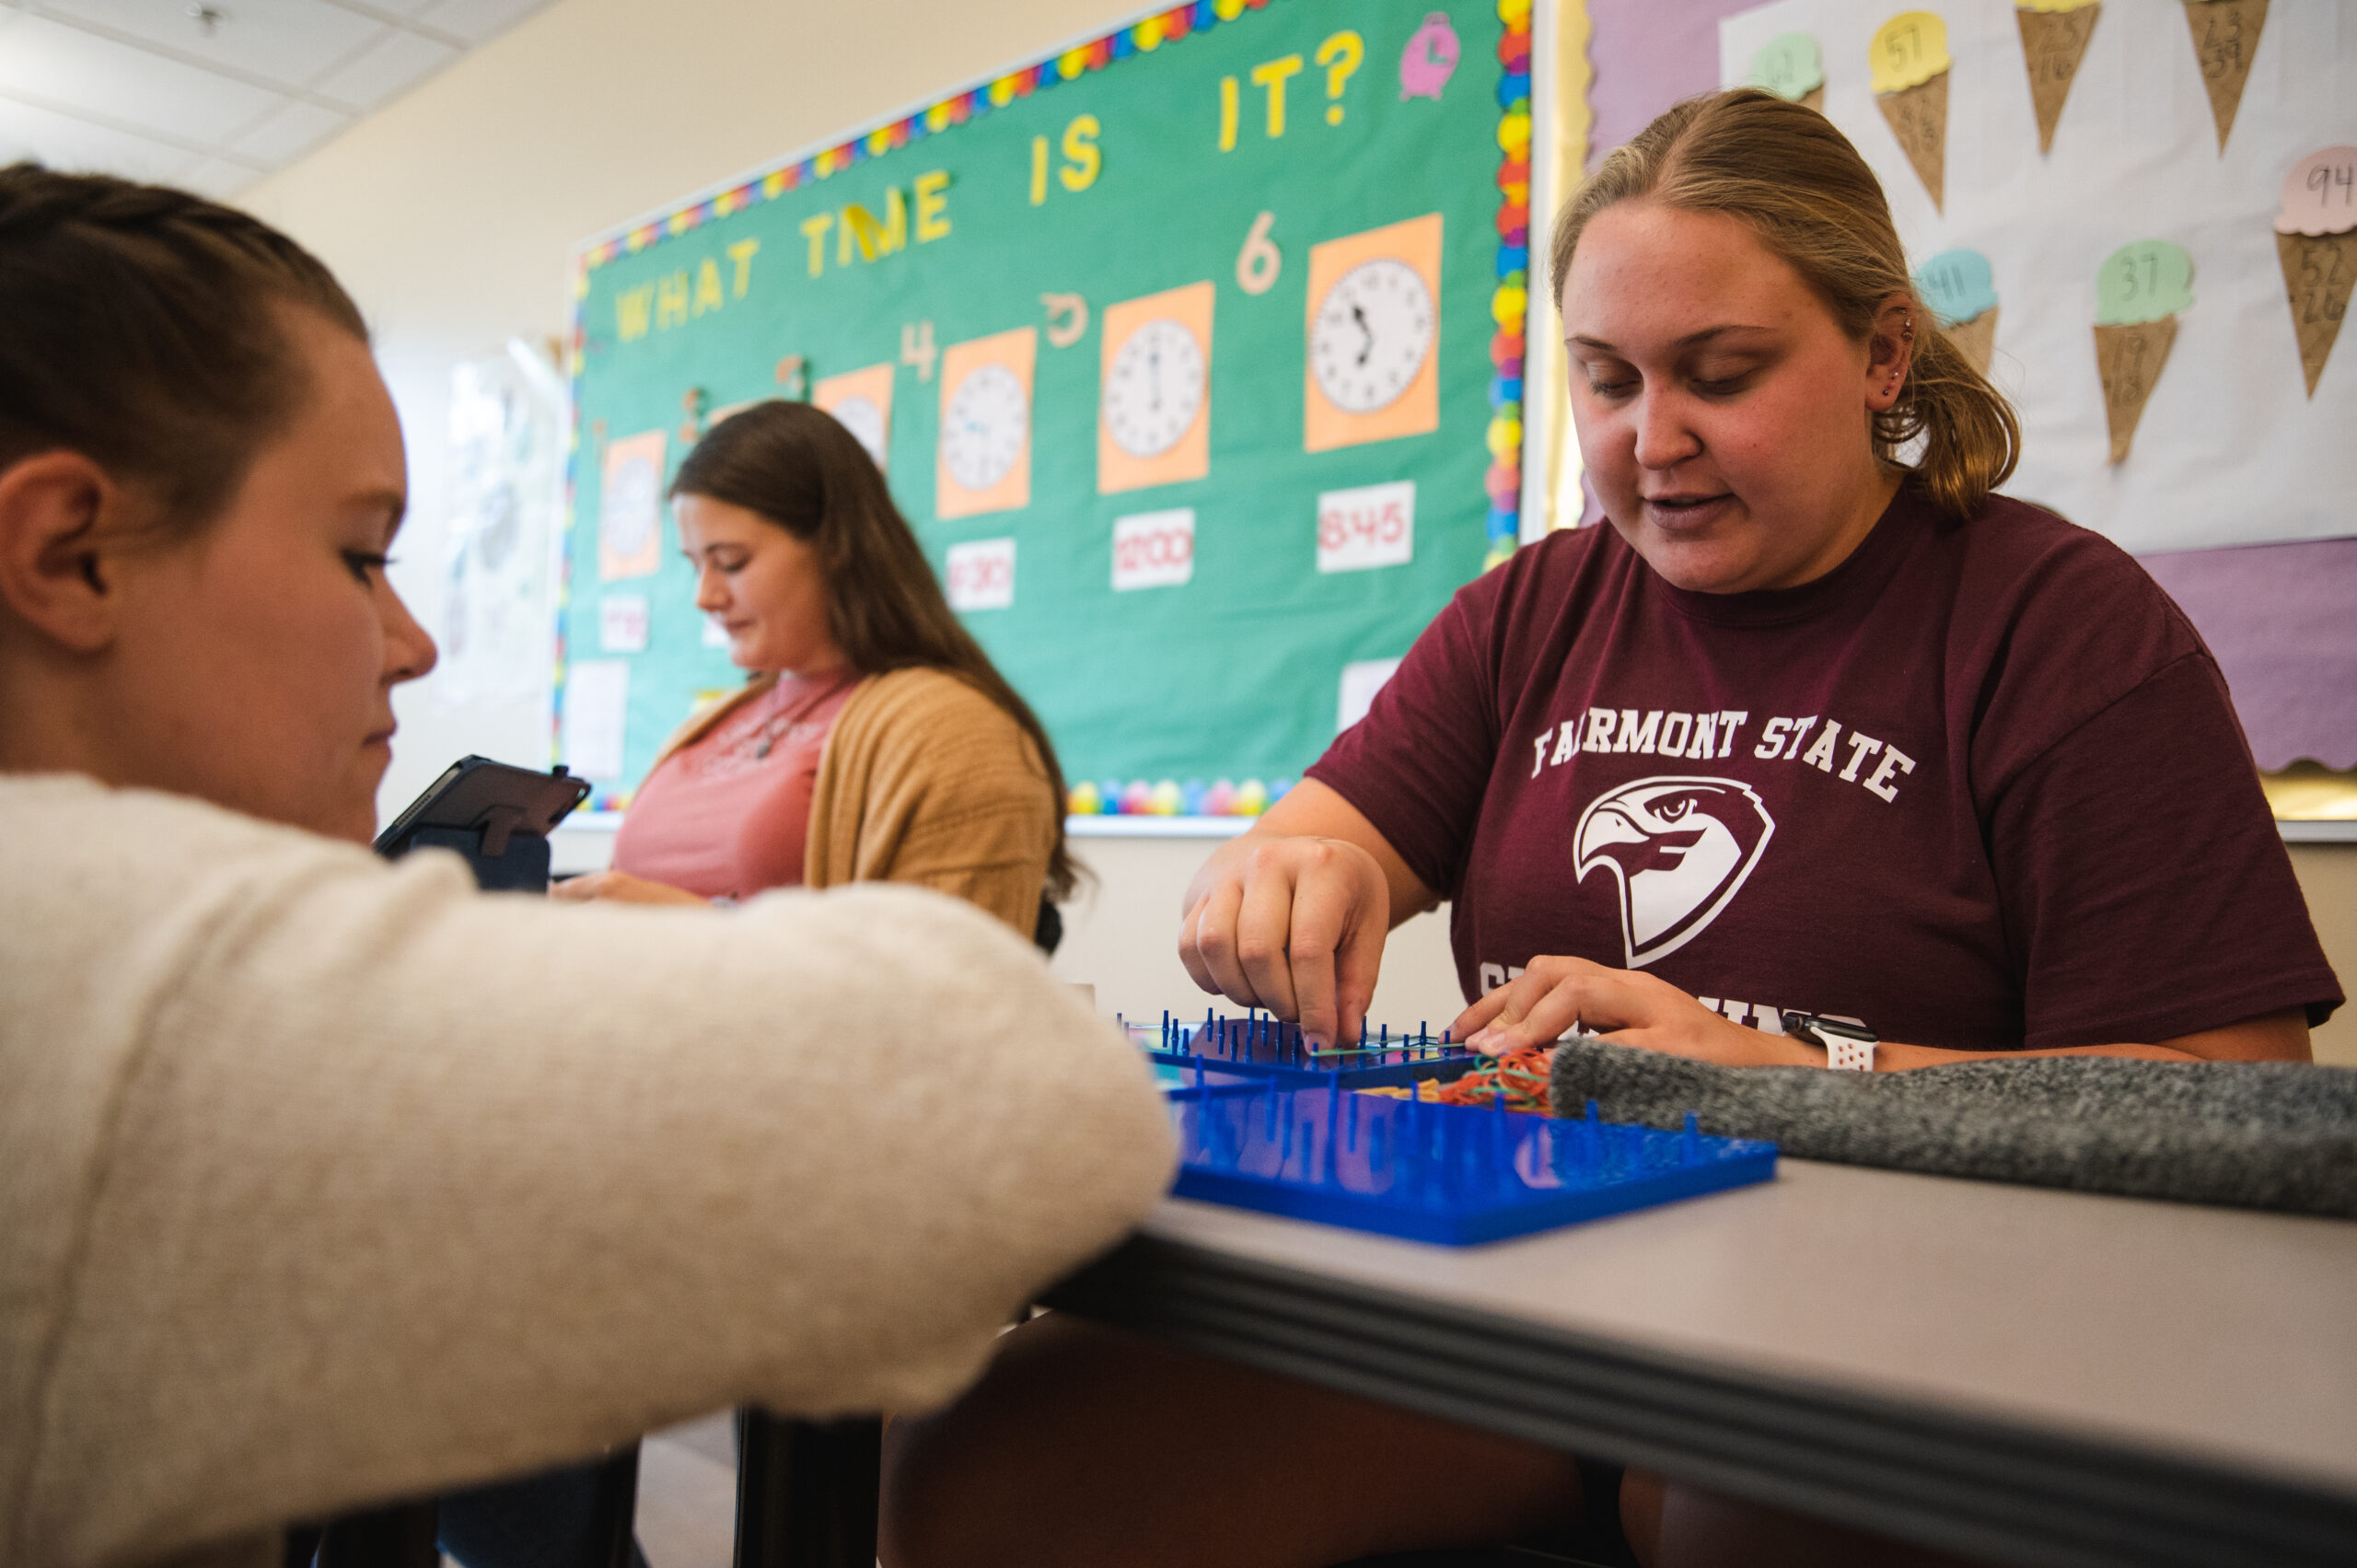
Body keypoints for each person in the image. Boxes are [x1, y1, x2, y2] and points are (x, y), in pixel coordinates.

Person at [878, 90, 2341, 1568]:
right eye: (1609, 380)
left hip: (1900, 1331)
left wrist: (1790, 1072)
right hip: (1517, 1308)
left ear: (1883, 351)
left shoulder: (2062, 628)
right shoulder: (1535, 609)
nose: (1656, 441)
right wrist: (1271, 881)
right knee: (990, 1453)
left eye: (1723, 373)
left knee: (1734, 1505)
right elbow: (1299, 847)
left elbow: (2228, 1110)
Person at [0, 163, 1173, 1568]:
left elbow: (982, 1024)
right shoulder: (120, 989)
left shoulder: (932, 721)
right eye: (359, 552)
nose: (418, 642)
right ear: (68, 555)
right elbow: (1020, 1084)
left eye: (733, 556)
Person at [553, 401, 1074, 946]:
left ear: (835, 547)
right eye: (694, 565)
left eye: (731, 561)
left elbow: (949, 987)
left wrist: (707, 935)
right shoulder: (711, 723)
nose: (704, 596)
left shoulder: (956, 732)